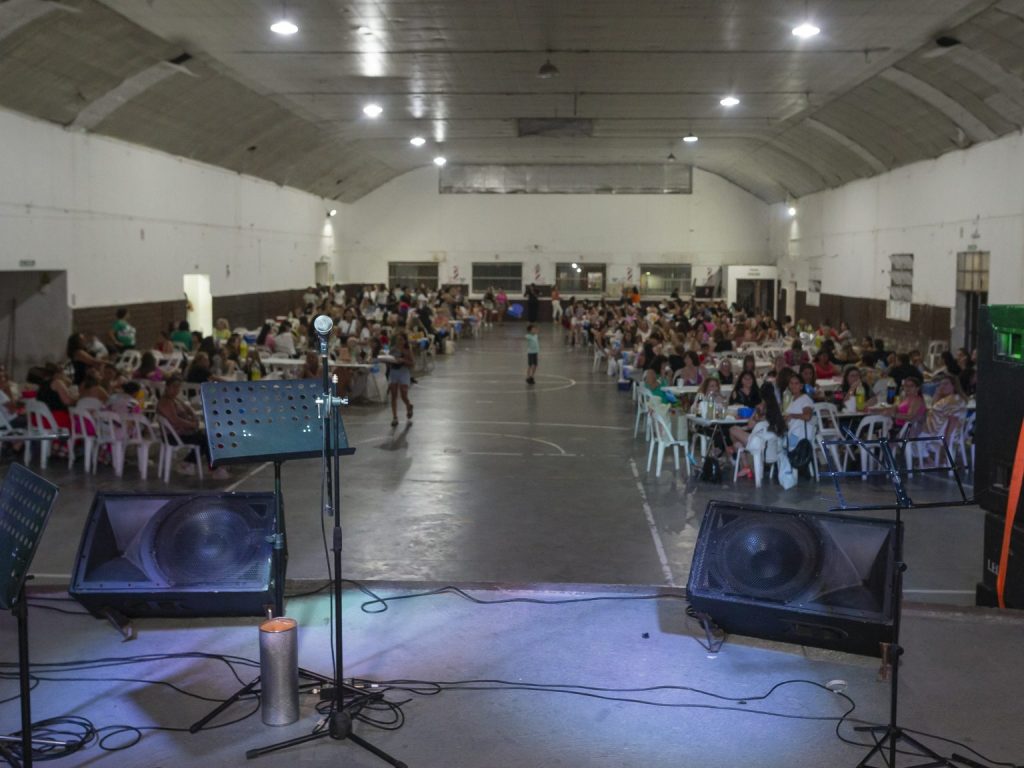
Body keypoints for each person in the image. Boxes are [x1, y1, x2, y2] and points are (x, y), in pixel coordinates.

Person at [156, 375, 229, 479]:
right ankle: (214, 469)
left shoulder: (175, 399)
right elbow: (175, 420)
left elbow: (188, 408)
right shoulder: (165, 402)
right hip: (174, 436)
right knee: (207, 439)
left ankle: (188, 463)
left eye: (178, 387)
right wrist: (192, 424)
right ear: (167, 387)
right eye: (174, 387)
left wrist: (193, 416)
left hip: (183, 432)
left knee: (207, 437)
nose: (176, 390)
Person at [730, 382, 786, 479]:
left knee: (732, 430)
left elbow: (750, 425)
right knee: (737, 442)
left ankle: (746, 465)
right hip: (773, 444)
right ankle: (745, 463)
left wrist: (755, 415)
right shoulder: (778, 409)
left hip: (759, 442)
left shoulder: (761, 408)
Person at [387, 333, 415, 427]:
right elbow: (389, 360)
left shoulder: (407, 351)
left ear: (404, 341)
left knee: (403, 393)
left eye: (401, 340)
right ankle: (395, 417)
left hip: (403, 372)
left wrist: (403, 360)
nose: (399, 342)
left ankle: (408, 405)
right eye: (398, 340)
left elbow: (412, 363)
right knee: (393, 395)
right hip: (394, 372)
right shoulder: (393, 350)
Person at [783, 372, 816, 449]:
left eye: (796, 383)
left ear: (801, 386)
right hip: (792, 433)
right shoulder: (792, 399)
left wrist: (792, 416)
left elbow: (807, 416)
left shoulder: (805, 399)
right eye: (791, 383)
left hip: (799, 435)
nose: (793, 386)